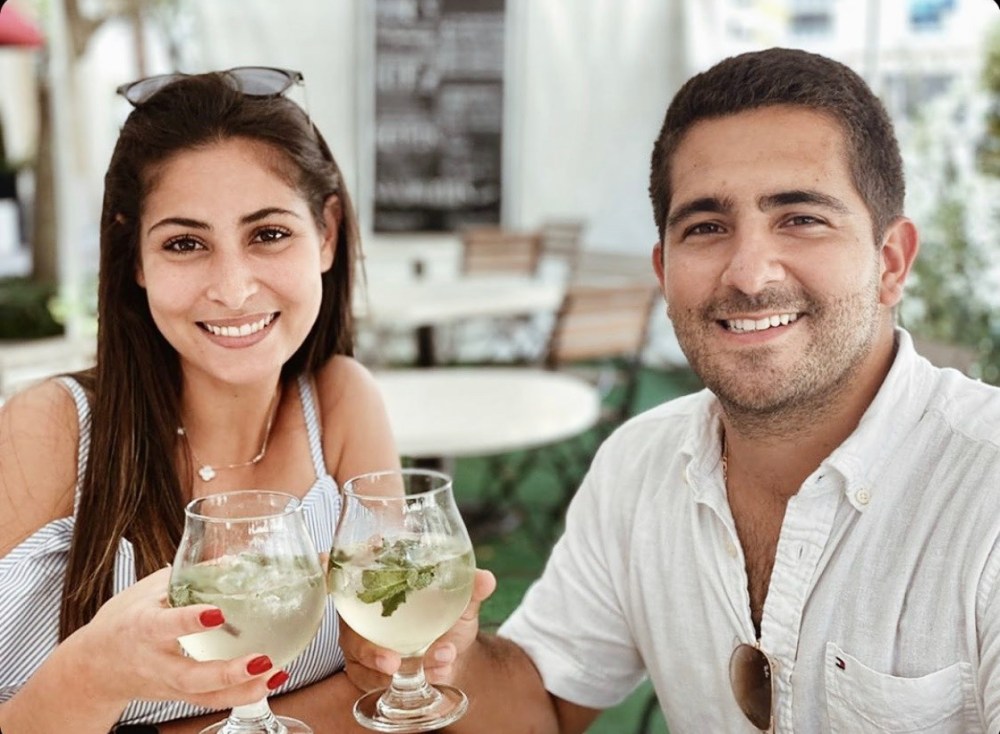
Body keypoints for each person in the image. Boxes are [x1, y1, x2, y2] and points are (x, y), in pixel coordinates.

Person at [343, 47, 1000, 732]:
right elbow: (542, 705)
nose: (749, 274)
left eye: (801, 218)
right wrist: (447, 663)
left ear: (890, 262)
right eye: (707, 227)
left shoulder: (986, 497)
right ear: (663, 271)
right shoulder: (640, 465)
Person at [0, 67, 492, 732]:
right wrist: (88, 679)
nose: (232, 289)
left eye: (268, 234)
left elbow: (374, 675)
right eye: (185, 243)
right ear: (136, 259)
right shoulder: (48, 432)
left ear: (326, 233)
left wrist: (392, 664)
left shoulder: (342, 404)